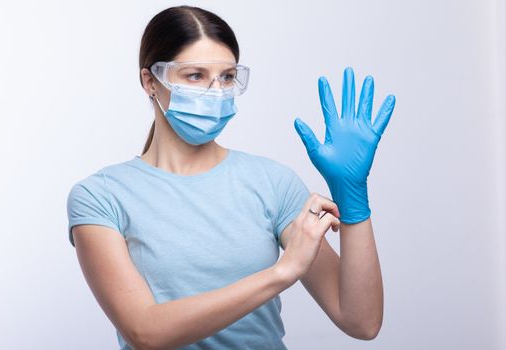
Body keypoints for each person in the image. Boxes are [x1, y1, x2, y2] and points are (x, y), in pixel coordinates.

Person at [67, 5, 392, 350]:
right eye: (194, 75)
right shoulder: (101, 196)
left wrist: (354, 198)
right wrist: (281, 272)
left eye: (226, 77)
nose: (215, 91)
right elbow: (145, 332)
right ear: (151, 82)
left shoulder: (271, 183)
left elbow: (362, 321)